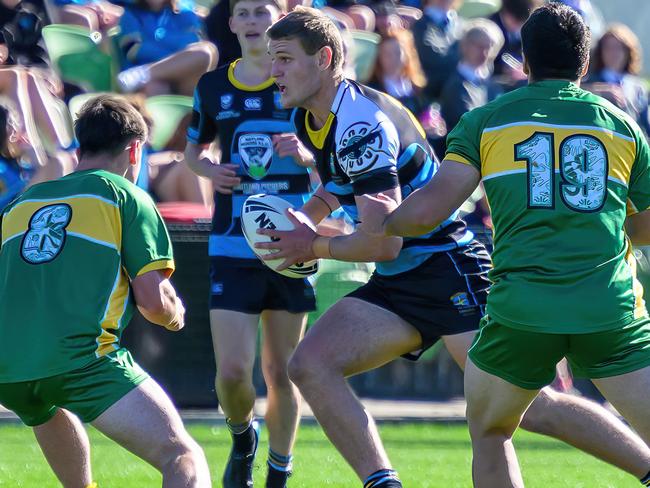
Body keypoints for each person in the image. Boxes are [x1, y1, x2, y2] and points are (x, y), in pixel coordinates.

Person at [263, 6, 650, 488]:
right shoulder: (312, 118)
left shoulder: (359, 122)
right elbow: (348, 184)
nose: (271, 69)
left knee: (529, 412)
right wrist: (311, 218)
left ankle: (646, 468)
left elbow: (386, 237)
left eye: (282, 58)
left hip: (448, 268)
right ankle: (383, 483)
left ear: (323, 59)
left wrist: (314, 245)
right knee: (310, 364)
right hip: (407, 274)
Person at [0, 94, 211, 488]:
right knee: (181, 456)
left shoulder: (22, 202)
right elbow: (153, 301)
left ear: (81, 148)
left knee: (44, 405)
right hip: (81, 361)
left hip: (8, 367)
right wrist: (174, 313)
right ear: (134, 150)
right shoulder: (123, 195)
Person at [184, 1, 316, 487]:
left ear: (280, 18)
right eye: (246, 11)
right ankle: (243, 435)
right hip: (230, 242)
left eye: (265, 9)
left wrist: (306, 155)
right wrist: (209, 170)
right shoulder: (213, 85)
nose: (255, 19)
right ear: (234, 23)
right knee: (234, 373)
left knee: (283, 372)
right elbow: (193, 152)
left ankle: (279, 472)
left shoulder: (305, 84)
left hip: (292, 241)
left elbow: (330, 161)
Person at [584, 23, 650, 136]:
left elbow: (645, 124)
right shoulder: (589, 81)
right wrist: (597, 92)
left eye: (618, 48)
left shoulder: (638, 87)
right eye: (608, 48)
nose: (614, 53)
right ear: (600, 52)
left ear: (628, 51)